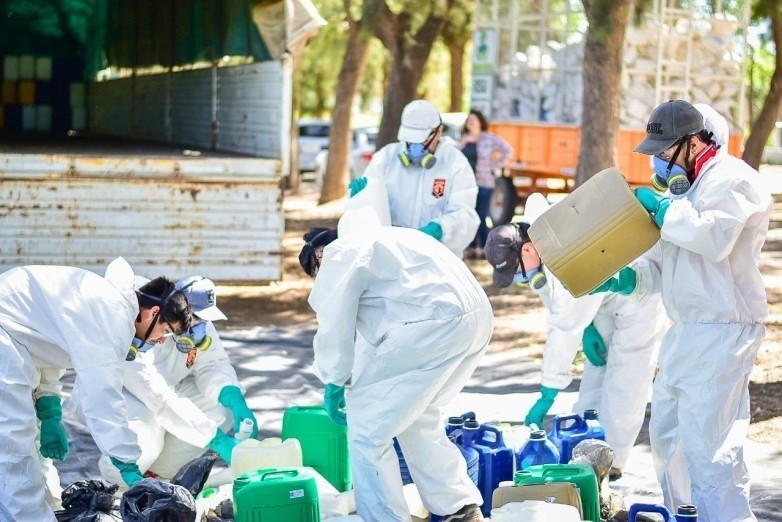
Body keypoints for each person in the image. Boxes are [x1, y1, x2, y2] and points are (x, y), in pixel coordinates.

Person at [609, 100, 771, 521]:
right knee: (668, 437)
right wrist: (630, 280)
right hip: (685, 332)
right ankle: (684, 514)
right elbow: (667, 263)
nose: (659, 163)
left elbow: (713, 239)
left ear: (695, 142)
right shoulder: (686, 192)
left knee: (709, 450)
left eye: (665, 152)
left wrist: (664, 211)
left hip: (724, 329)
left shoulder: (734, 180)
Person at [299, 207, 494, 522]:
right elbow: (373, 348)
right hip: (476, 319)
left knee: (366, 429)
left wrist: (333, 379)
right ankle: (458, 508)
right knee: (417, 416)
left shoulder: (341, 253)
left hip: (431, 324)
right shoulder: (398, 239)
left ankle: (385, 518)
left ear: (319, 256)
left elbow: (334, 323)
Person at [484, 194, 667, 478]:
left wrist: (548, 392)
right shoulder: (542, 243)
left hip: (638, 291)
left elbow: (563, 328)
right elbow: (560, 305)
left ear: (529, 250)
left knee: (626, 378)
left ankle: (612, 461)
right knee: (596, 370)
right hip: (604, 296)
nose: (522, 280)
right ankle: (587, 443)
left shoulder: (560, 250)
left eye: (518, 272)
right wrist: (589, 326)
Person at [0, 258, 192, 521]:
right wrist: (127, 463)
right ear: (152, 313)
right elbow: (103, 398)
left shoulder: (106, 305)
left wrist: (49, 408)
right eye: (166, 332)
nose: (160, 342)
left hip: (15, 337)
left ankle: (42, 511)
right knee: (14, 450)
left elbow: (47, 343)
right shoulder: (111, 317)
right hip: (5, 334)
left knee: (27, 448)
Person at [72, 274, 258, 484]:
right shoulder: (140, 328)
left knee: (220, 410)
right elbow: (159, 395)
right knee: (145, 429)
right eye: (191, 318)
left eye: (200, 320)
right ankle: (120, 485)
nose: (195, 326)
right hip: (123, 392)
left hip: (164, 393)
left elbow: (212, 363)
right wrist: (218, 440)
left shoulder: (199, 324)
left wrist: (232, 396)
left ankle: (159, 474)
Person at [348, 99, 480, 258]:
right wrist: (360, 199)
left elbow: (465, 215)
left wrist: (442, 229)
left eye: (422, 140)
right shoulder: (386, 158)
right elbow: (369, 214)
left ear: (439, 132)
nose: (415, 147)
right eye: (410, 140)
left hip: (437, 258)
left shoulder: (455, 163)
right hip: (392, 255)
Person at [457, 108, 514, 259]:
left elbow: (508, 150)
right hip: (467, 184)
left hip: (484, 182)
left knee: (481, 215)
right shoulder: (463, 139)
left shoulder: (488, 139)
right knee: (469, 214)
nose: (470, 122)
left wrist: (494, 167)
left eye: (473, 120)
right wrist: (463, 143)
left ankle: (482, 247)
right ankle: (469, 246)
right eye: (469, 120)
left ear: (480, 122)